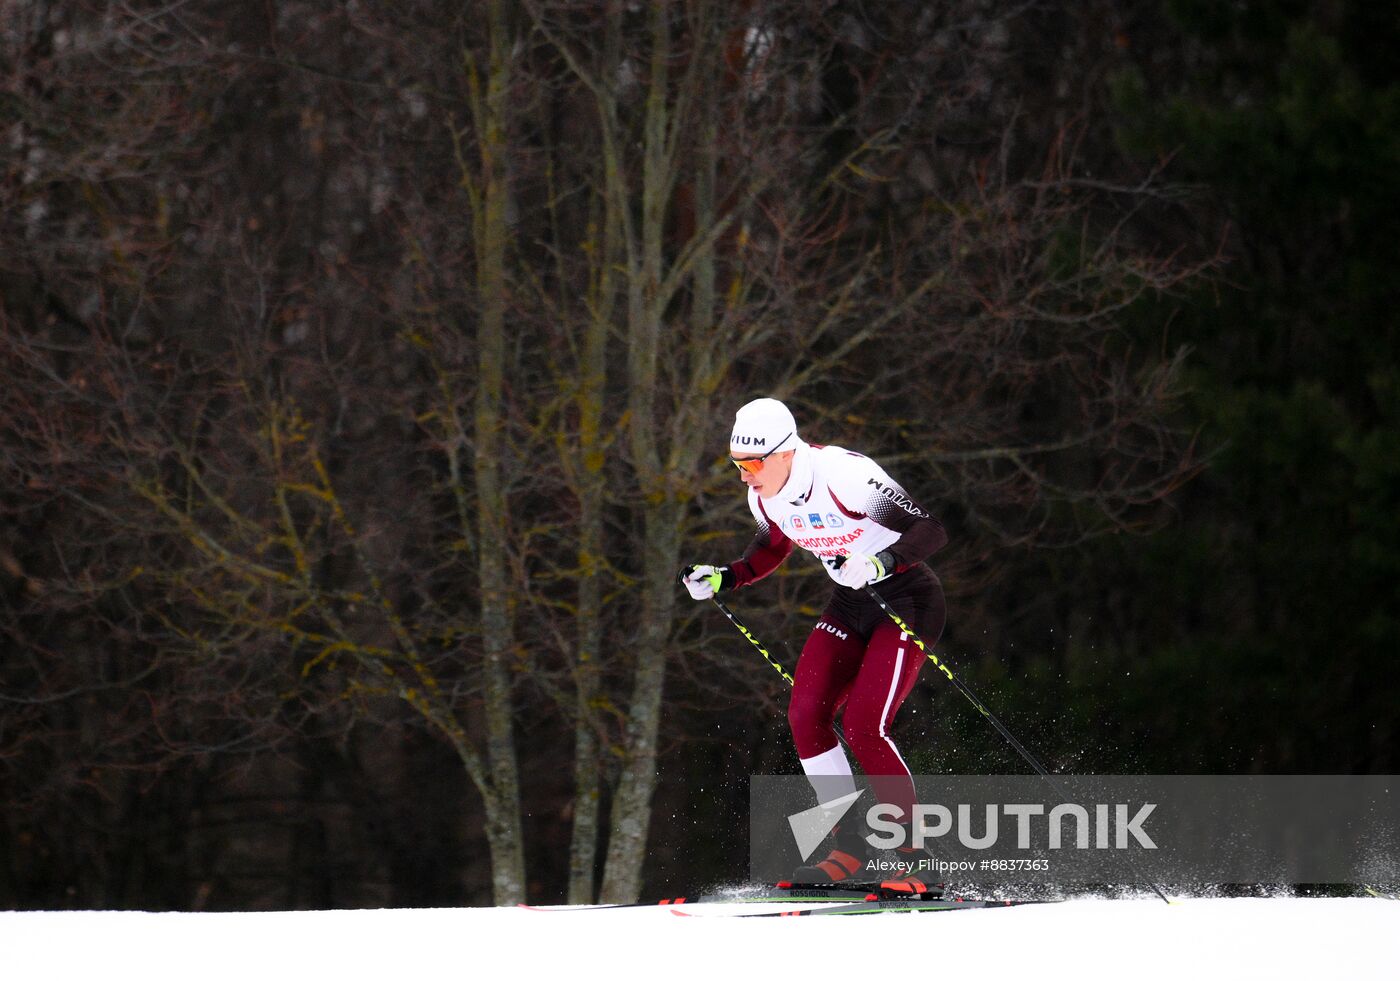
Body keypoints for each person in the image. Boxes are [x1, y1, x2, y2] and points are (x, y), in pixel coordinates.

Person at [680, 397, 948, 886]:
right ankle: (849, 850)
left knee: (865, 724)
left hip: (906, 600)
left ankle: (918, 860)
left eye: (754, 463)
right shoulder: (763, 494)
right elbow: (769, 548)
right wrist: (725, 577)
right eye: (737, 464)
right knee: (806, 716)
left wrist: (880, 563)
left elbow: (929, 529)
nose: (745, 475)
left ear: (786, 452)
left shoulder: (844, 475)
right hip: (850, 604)